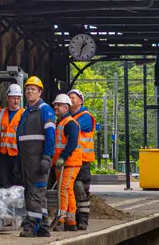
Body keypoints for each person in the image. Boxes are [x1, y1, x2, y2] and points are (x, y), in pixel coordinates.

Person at [18, 76, 57, 237]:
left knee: (35, 193)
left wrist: (47, 157)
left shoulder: (45, 110)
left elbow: (50, 136)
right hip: (27, 159)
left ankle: (31, 226)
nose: (30, 92)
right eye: (27, 89)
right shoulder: (26, 112)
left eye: (33, 89)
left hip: (38, 158)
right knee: (36, 194)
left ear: (40, 92)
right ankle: (43, 227)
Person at [51, 91, 82, 231]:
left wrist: (63, 157)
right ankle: (71, 220)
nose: (56, 107)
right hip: (63, 163)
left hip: (70, 162)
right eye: (55, 105)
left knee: (63, 189)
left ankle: (61, 217)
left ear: (67, 107)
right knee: (67, 190)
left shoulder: (70, 124)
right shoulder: (61, 123)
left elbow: (72, 143)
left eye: (59, 105)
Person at [66, 90, 96, 230]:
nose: (71, 99)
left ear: (80, 101)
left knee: (81, 189)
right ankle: (71, 218)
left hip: (82, 160)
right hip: (70, 159)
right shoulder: (68, 118)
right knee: (69, 189)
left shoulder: (85, 117)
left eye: (74, 97)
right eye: (69, 97)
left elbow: (72, 128)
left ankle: (83, 220)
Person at [0, 83, 27, 189]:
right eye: (13, 98)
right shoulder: (0, 113)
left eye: (18, 98)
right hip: (3, 155)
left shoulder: (25, 114)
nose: (16, 101)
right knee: (4, 185)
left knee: (19, 185)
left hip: (18, 155)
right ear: (7, 98)